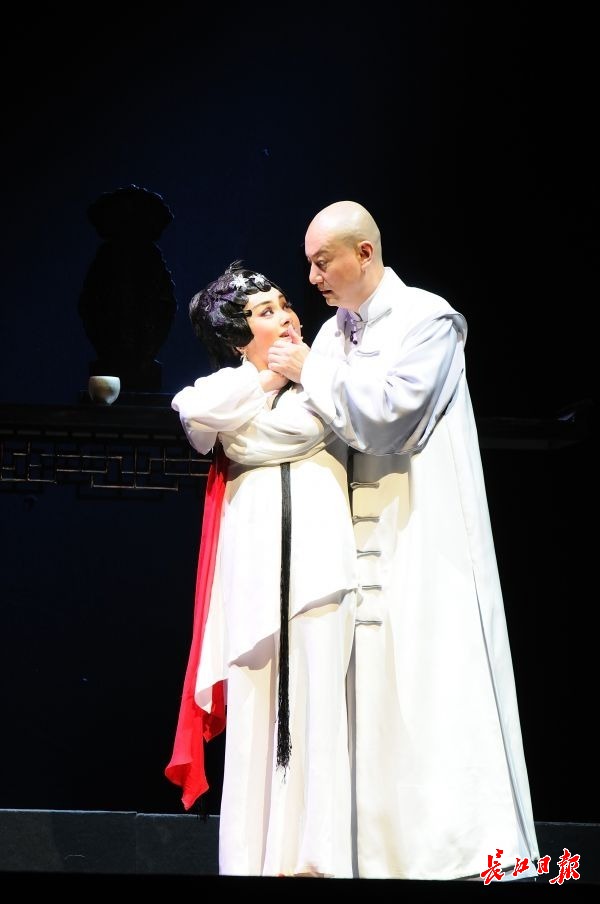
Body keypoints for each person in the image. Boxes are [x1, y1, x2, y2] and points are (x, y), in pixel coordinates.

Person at [266, 201, 541, 881]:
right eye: (308, 263)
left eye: (322, 261)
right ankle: (375, 857)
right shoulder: (330, 335)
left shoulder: (429, 320)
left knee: (431, 684)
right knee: (369, 693)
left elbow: (392, 419)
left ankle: (462, 856)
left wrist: (309, 371)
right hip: (349, 538)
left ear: (364, 253)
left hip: (420, 531)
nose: (312, 277)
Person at [165, 261, 359, 877]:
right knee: (255, 713)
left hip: (321, 561)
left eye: (285, 304)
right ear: (236, 338)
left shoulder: (326, 374)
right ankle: (249, 862)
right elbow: (195, 415)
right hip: (251, 564)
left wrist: (294, 375)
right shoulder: (228, 387)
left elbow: (312, 425)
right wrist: (266, 376)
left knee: (320, 706)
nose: (288, 316)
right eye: (266, 312)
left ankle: (318, 860)